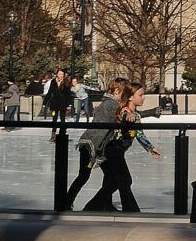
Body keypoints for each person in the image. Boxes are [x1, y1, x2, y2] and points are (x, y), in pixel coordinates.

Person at [86, 81, 161, 213]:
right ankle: (130, 210)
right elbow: (124, 115)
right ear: (131, 97)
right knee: (125, 180)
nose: (144, 97)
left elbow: (139, 134)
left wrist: (150, 147)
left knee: (114, 181)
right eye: (141, 95)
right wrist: (128, 115)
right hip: (112, 149)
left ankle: (96, 206)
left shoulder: (136, 114)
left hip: (117, 151)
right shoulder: (124, 110)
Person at [71, 78, 127, 210]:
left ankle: (105, 204)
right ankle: (66, 201)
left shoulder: (107, 103)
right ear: (117, 91)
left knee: (108, 175)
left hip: (97, 145)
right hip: (91, 145)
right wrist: (150, 112)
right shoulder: (111, 104)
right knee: (84, 175)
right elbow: (122, 118)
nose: (125, 97)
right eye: (124, 94)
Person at [44, 69, 73, 142]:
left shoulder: (66, 82)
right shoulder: (53, 81)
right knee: (54, 119)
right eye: (60, 74)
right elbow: (50, 92)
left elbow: (68, 94)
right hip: (55, 103)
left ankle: (62, 133)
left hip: (63, 103)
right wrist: (45, 102)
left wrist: (69, 104)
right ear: (57, 74)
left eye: (62, 74)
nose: (61, 76)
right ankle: (53, 135)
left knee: (62, 119)